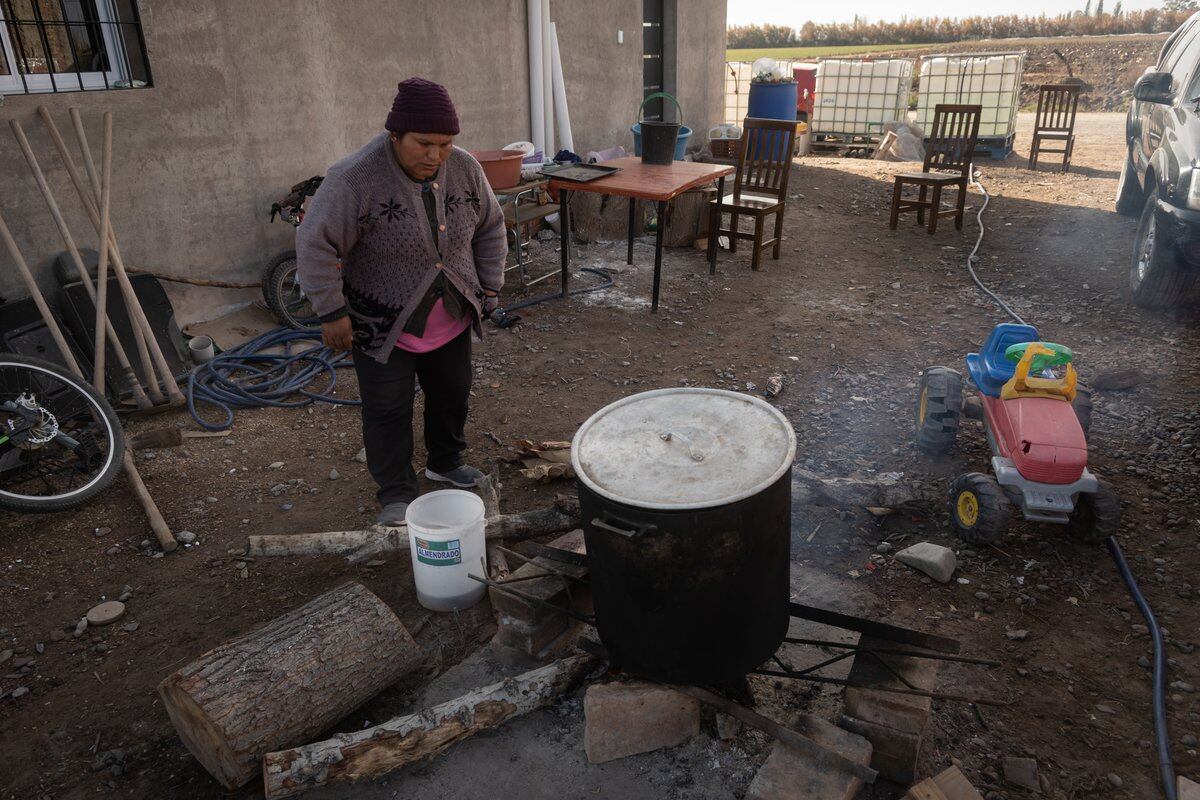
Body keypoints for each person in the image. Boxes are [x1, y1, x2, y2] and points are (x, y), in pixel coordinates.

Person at [296, 77, 507, 525]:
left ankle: (445, 462)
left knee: (452, 394)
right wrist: (331, 311)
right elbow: (315, 244)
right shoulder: (354, 178)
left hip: (450, 312)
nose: (435, 155)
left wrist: (490, 287)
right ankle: (396, 492)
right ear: (395, 135)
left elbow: (490, 225)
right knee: (387, 408)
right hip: (381, 320)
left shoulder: (466, 169)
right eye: (424, 143)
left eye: (446, 143)